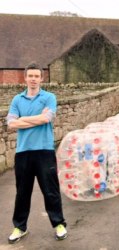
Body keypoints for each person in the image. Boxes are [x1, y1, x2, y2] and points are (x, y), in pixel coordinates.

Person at [6, 62, 67, 244]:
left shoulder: (49, 97)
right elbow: (11, 123)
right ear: (25, 78)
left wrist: (22, 119)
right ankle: (20, 227)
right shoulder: (17, 100)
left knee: (51, 191)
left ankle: (59, 224)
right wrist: (35, 119)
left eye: (36, 76)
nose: (33, 79)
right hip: (23, 152)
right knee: (22, 192)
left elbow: (46, 118)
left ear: (42, 78)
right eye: (30, 76)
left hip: (44, 151)